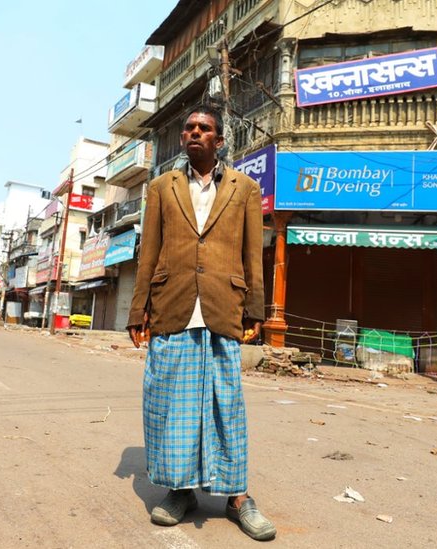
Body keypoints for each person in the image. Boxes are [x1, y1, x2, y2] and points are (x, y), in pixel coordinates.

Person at [127, 104, 275, 541]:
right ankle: (181, 490)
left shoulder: (245, 188)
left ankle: (236, 497)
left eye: (204, 128)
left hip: (222, 307)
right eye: (189, 128)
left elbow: (253, 254)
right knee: (172, 406)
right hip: (171, 306)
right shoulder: (160, 187)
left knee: (225, 406)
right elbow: (148, 251)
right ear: (182, 139)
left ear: (219, 139)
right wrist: (139, 310)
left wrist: (255, 309)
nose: (195, 132)